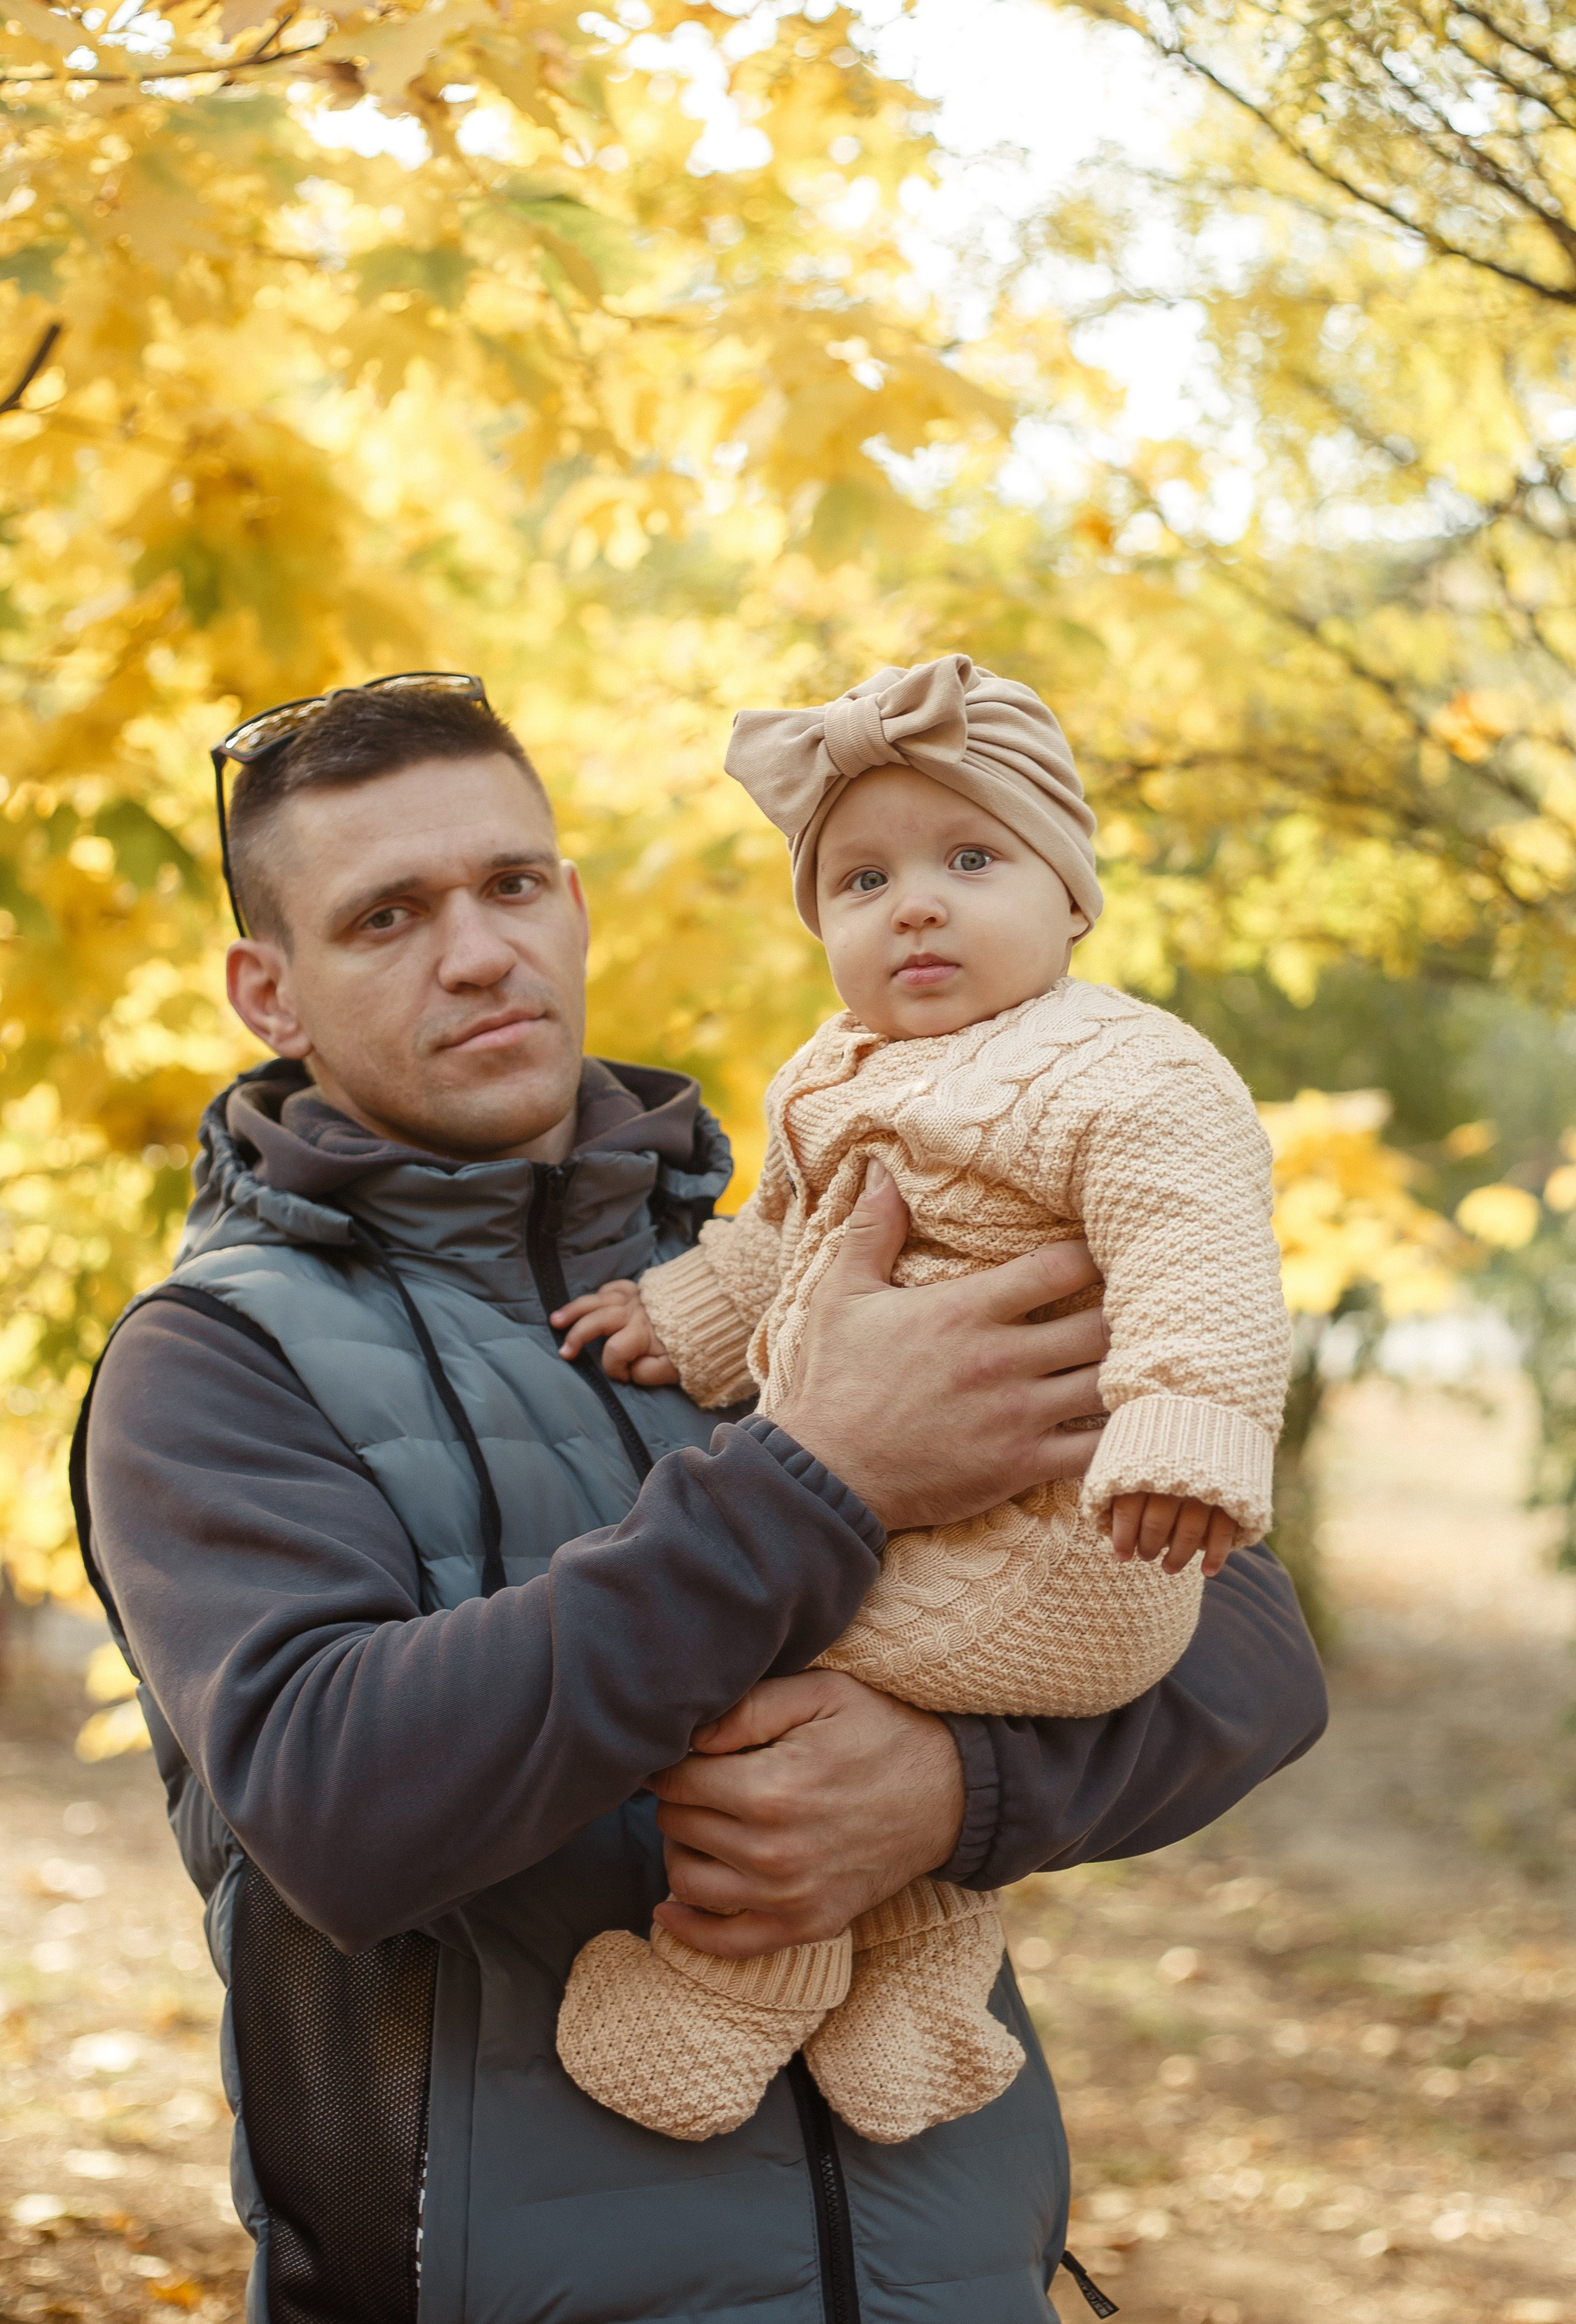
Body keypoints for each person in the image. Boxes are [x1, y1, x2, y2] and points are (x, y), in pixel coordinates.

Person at [73, 675, 1327, 2324]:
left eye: (512, 886)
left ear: (575, 905)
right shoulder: (216, 1366)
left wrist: (956, 1795)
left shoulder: (830, 1247)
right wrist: (820, 1476)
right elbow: (339, 1804)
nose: (477, 952)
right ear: (265, 991)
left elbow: (1249, 1650)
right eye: (388, 916)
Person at [552, 654, 1291, 2150]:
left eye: (971, 859)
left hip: (1068, 1539)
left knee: (726, 1669)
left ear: (1069, 896)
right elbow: (778, 1240)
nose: (916, 905)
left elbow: (1195, 1253)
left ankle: (727, 1995)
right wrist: (686, 1310)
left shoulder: (1127, 1072)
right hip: (940, 1540)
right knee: (835, 1695)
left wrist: (1185, 1434)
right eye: (861, 879)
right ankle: (916, 1989)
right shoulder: (836, 1072)